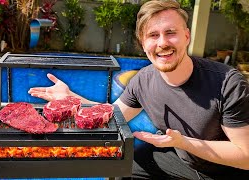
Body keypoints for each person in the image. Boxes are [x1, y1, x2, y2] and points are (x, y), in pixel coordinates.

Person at [28, 0, 249, 179]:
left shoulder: (227, 84)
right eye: (153, 35)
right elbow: (112, 116)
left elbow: (246, 156)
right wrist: (71, 99)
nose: (162, 43)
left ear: (187, 36)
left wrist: (183, 142)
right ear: (143, 44)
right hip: (182, 158)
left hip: (223, 171)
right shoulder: (143, 80)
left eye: (170, 32)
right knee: (119, 165)